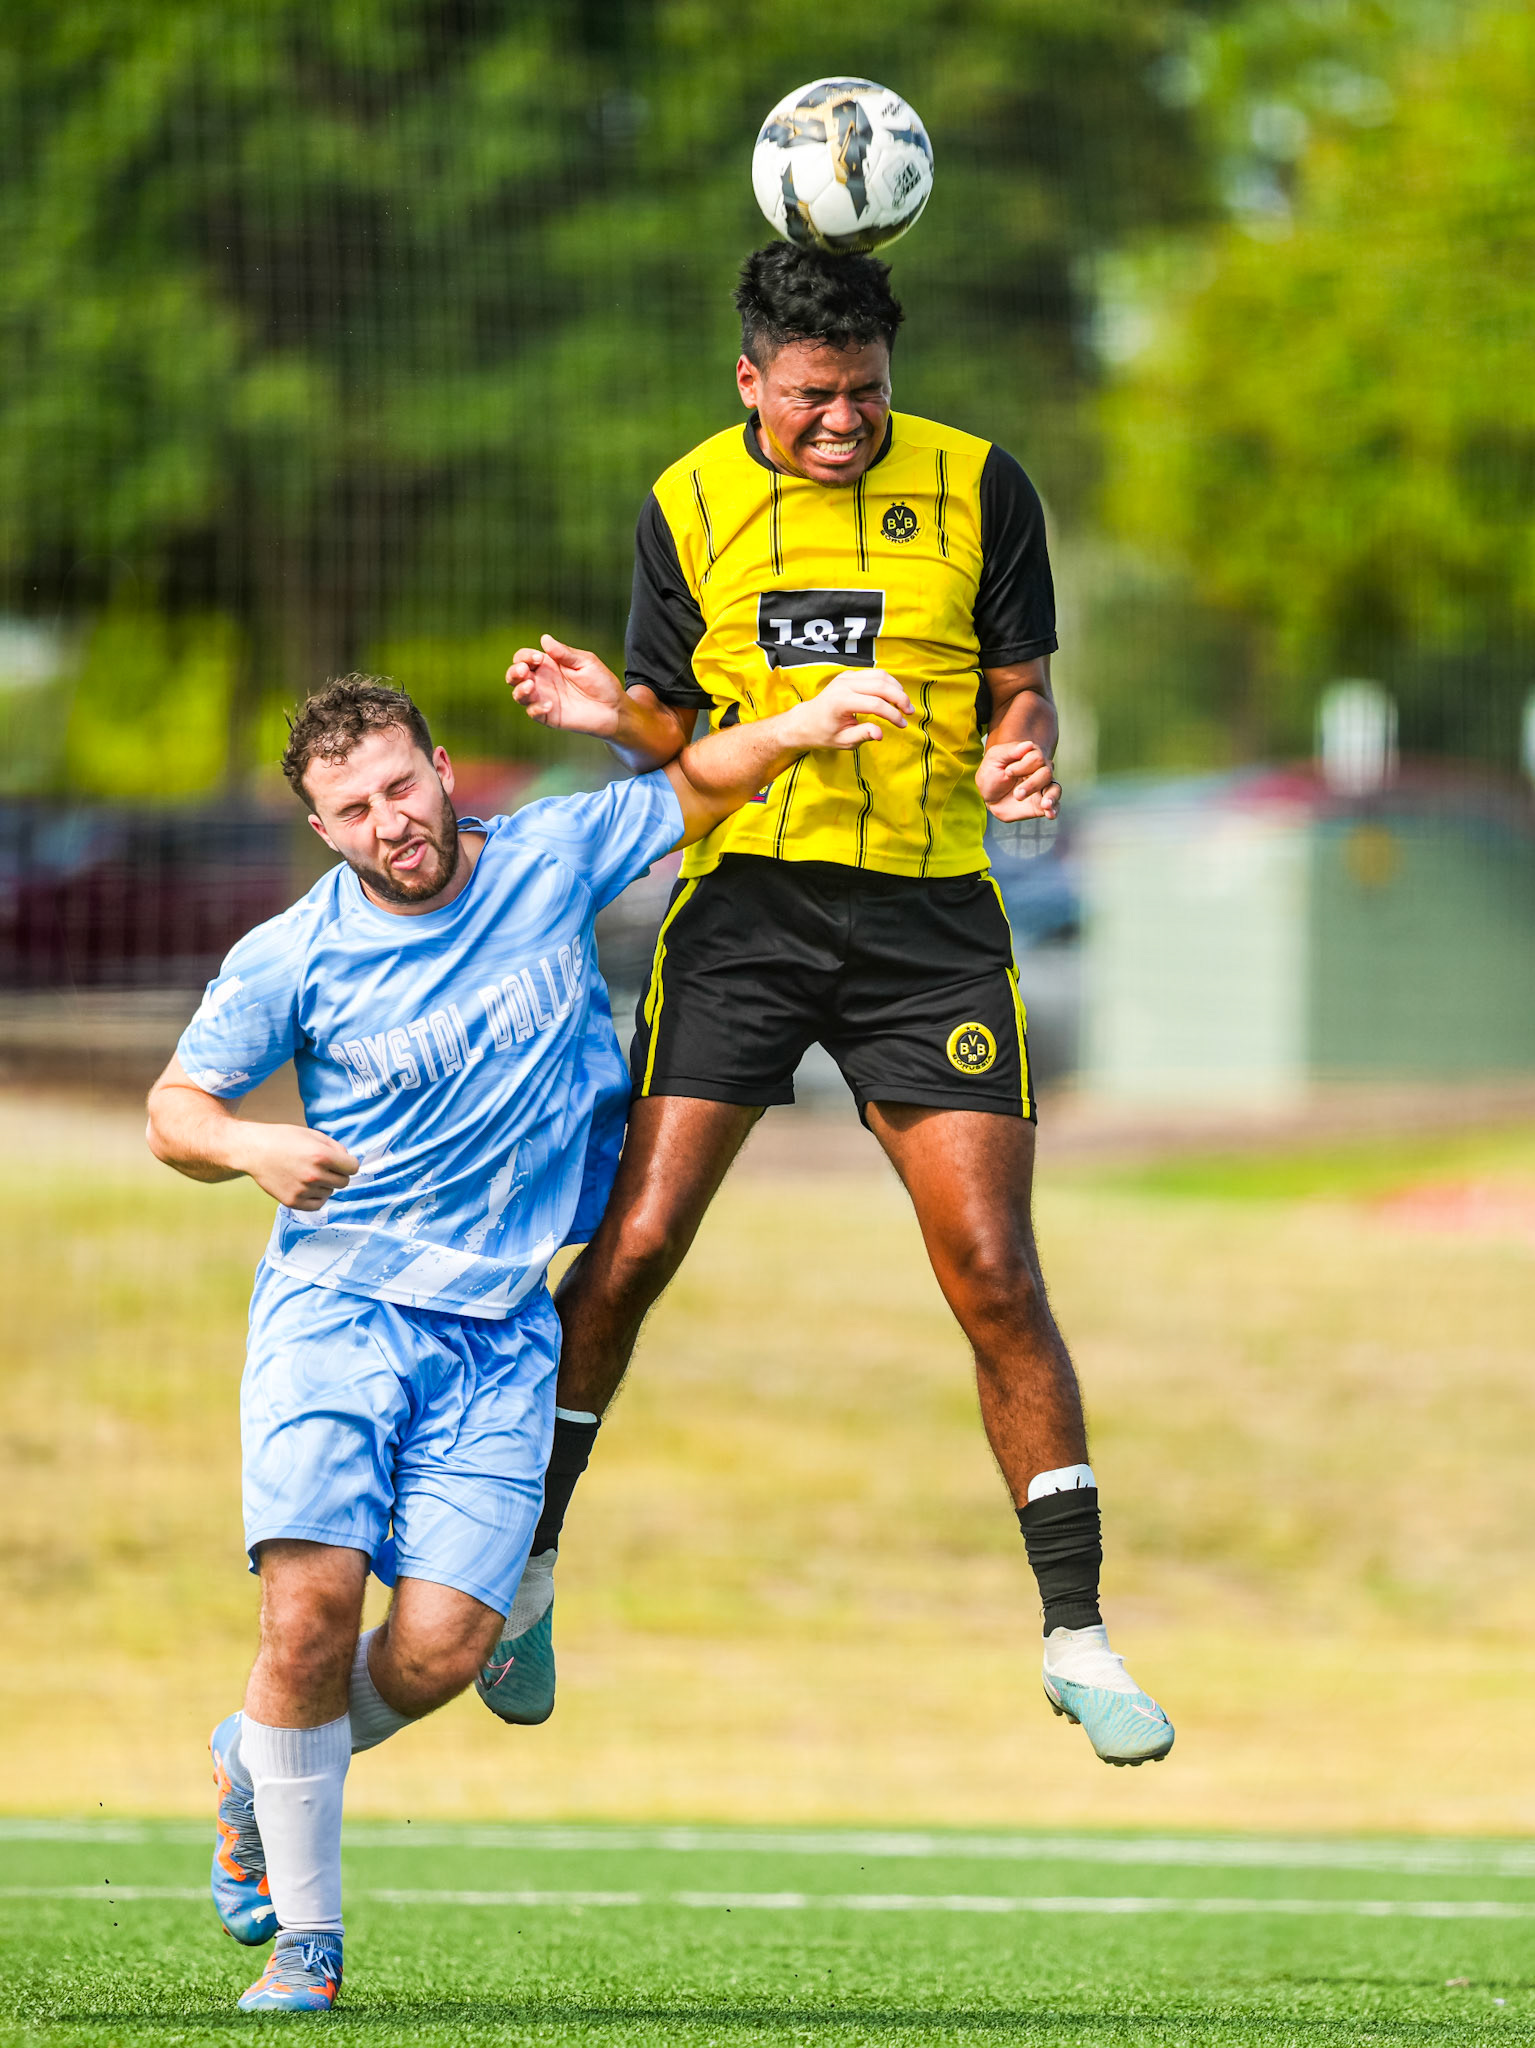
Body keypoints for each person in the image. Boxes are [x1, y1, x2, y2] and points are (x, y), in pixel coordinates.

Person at [481, 242, 1174, 1770]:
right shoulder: (685, 503)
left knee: (995, 1271)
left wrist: (1025, 747)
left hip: (930, 925)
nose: (844, 420)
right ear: (750, 383)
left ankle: (1077, 1637)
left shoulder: (985, 486)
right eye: (811, 396)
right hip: (744, 914)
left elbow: (1021, 687)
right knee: (632, 1249)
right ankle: (523, 1575)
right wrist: (613, 715)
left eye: (865, 390)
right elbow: (676, 736)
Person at [144, 666, 907, 2013]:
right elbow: (175, 1112)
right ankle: (308, 1946)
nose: (389, 822)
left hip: (502, 1331)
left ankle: (254, 1757)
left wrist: (802, 722)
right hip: (339, 1310)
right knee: (310, 1611)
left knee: (443, 1649)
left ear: (442, 770)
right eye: (353, 810)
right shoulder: (291, 956)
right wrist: (250, 1146)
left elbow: (692, 788)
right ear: (321, 828)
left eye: (401, 786)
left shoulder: (550, 857)